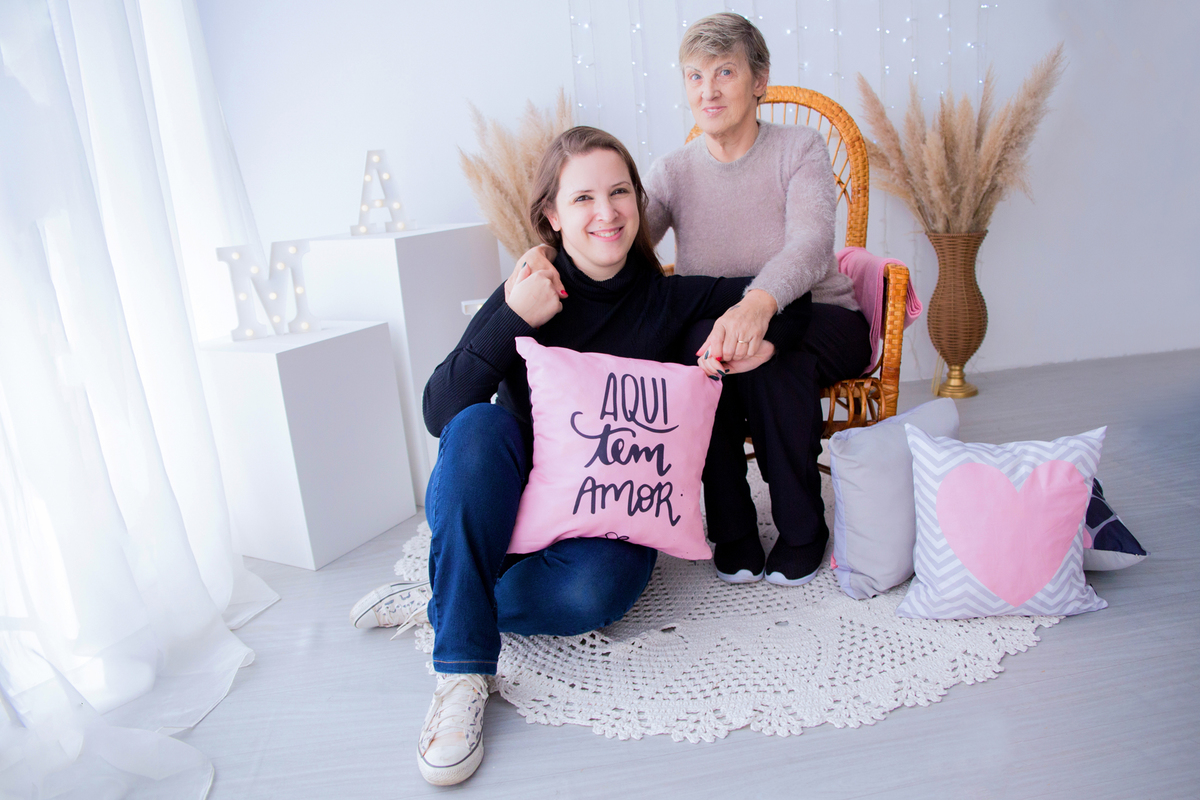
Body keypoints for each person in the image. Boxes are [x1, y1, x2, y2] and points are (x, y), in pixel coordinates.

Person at [349, 126, 811, 786]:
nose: (607, 212)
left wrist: (755, 328)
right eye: (584, 197)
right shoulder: (530, 287)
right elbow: (438, 412)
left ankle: (446, 594)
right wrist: (512, 319)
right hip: (509, 500)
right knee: (477, 427)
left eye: (620, 192)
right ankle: (460, 673)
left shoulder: (666, 298)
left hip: (600, 515)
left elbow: (785, 308)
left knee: (599, 590)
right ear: (552, 214)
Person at [516, 13, 871, 589]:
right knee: (694, 355)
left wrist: (759, 305)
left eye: (725, 71)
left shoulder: (798, 149)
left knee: (776, 362)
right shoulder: (674, 171)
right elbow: (618, 237)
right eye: (695, 76)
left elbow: (809, 246)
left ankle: (804, 530)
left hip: (818, 316)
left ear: (759, 80)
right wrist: (546, 250)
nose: (708, 90)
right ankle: (732, 531)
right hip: (718, 322)